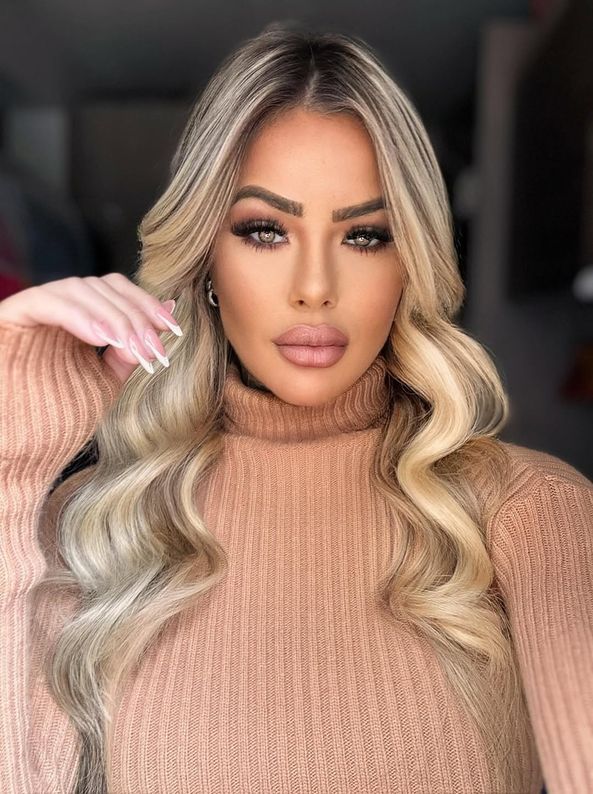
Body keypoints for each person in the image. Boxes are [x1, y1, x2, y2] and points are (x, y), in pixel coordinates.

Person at [1, 21, 591, 794]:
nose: (314, 287)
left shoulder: (530, 511)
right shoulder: (98, 523)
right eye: (265, 231)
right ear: (205, 258)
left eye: (365, 236)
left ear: (410, 263)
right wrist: (15, 452)